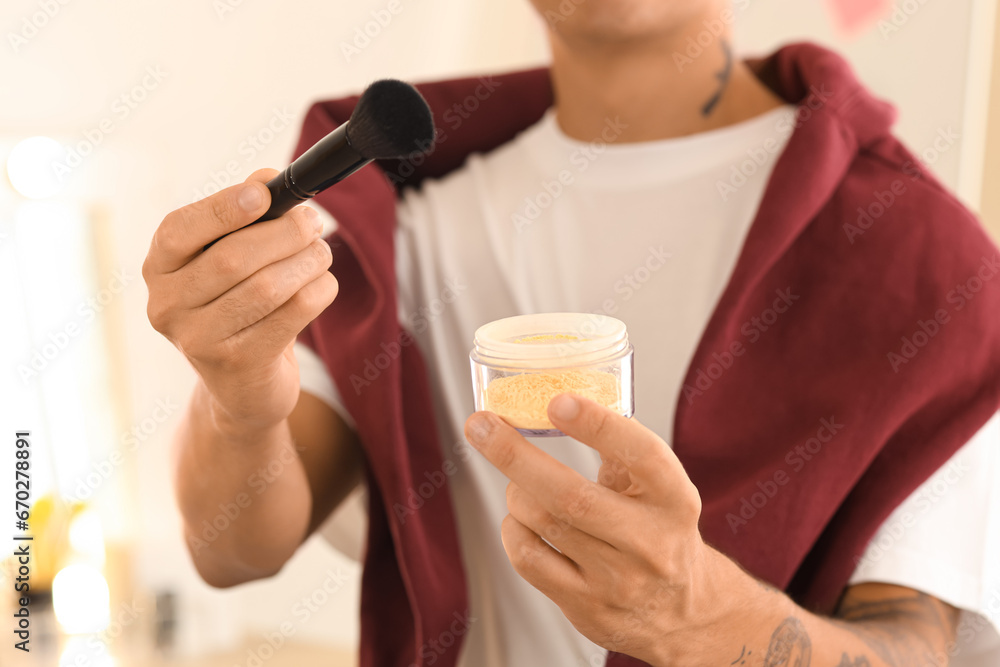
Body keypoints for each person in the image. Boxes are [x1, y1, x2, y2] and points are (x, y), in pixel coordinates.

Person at [143, 0, 1000, 665]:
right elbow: (230, 549)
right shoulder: (399, 224)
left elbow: (916, 645)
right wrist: (239, 393)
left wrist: (705, 621)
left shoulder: (921, 263)